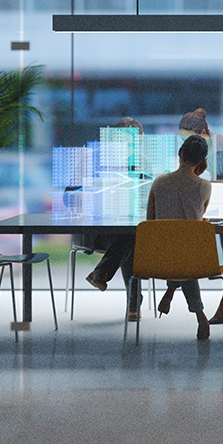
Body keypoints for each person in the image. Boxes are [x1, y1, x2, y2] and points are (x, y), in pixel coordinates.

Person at [159, 109, 223, 324]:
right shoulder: (201, 148)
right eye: (183, 139)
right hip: (221, 186)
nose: (187, 143)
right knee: (213, 231)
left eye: (190, 138)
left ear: (204, 132)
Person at [145, 133, 214, 341]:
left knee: (176, 250)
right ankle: (200, 315)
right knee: (185, 255)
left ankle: (170, 292)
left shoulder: (158, 183)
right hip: (191, 259)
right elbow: (199, 217)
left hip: (160, 256)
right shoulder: (205, 186)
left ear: (180, 153)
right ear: (203, 162)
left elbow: (150, 222)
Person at [83, 117, 146, 319]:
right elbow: (70, 197)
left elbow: (149, 197)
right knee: (130, 238)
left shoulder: (144, 162)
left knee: (130, 235)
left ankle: (102, 272)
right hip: (100, 231)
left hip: (130, 226)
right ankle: (134, 303)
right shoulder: (94, 160)